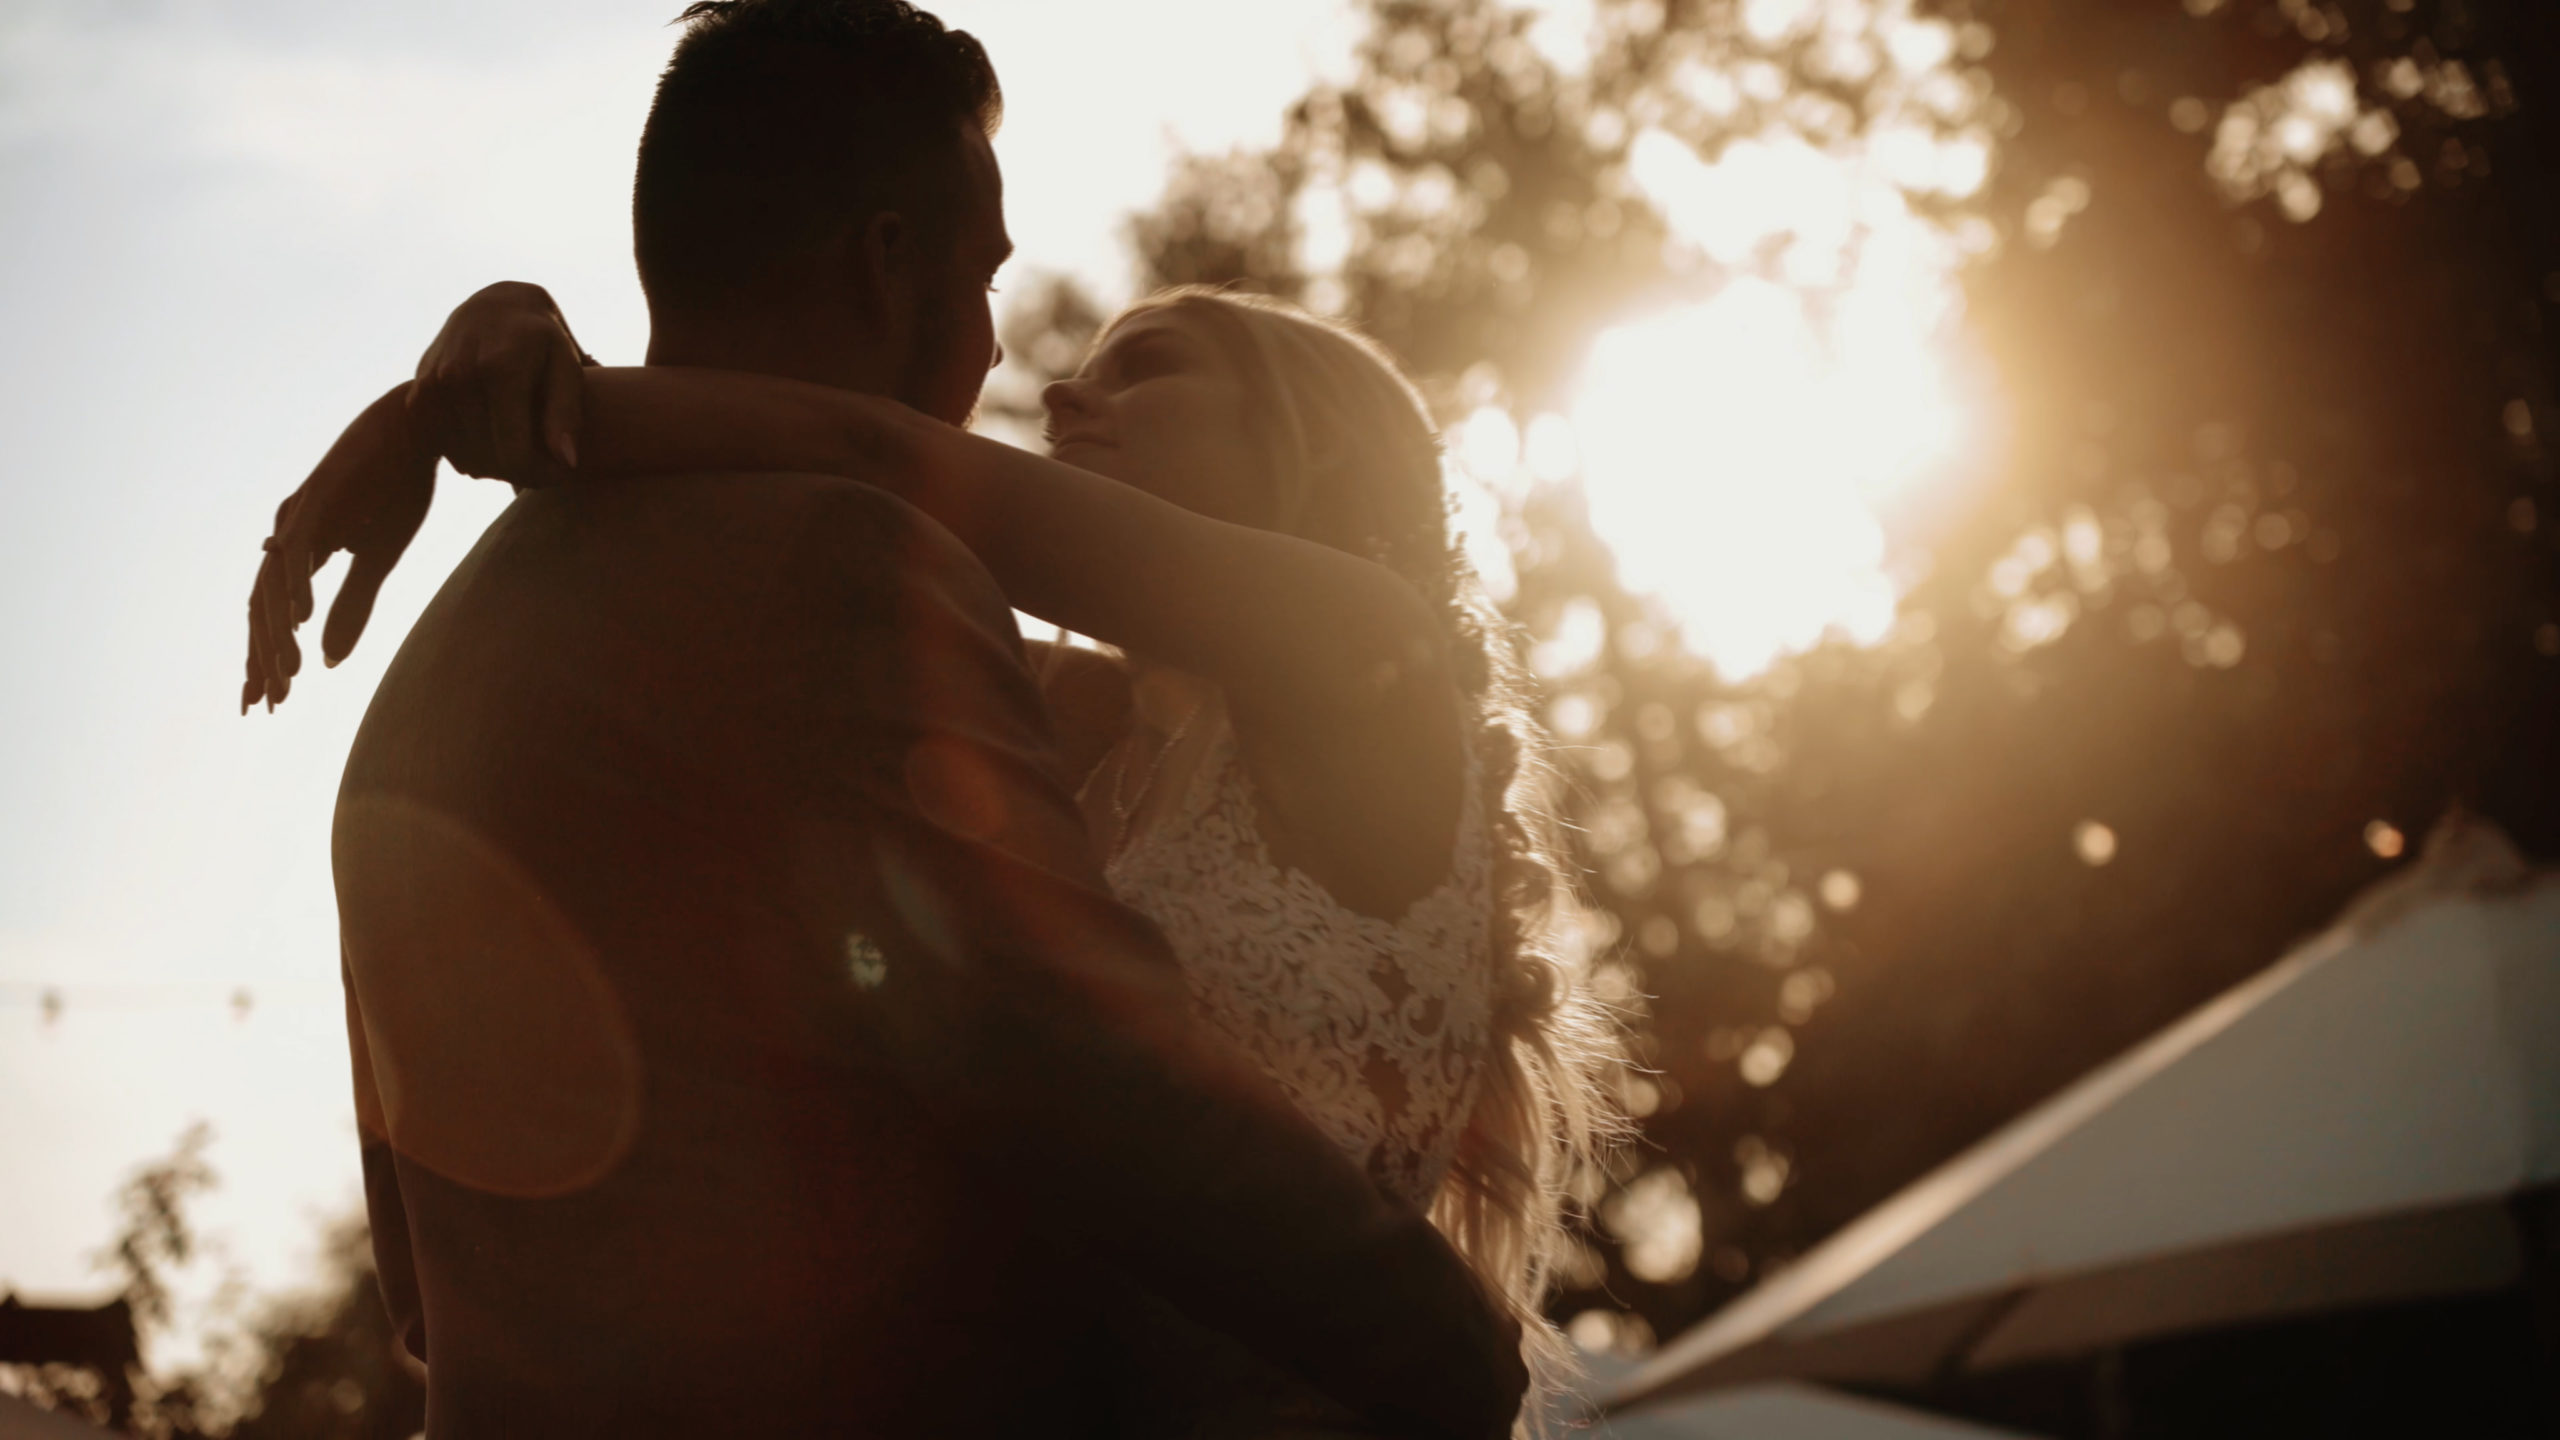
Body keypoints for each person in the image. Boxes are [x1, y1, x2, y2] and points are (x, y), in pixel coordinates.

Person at [246, 3, 1533, 1436]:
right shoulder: (851, 579)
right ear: (887, 261)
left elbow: (422, 1292)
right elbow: (1070, 1073)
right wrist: (1450, 1352)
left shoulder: (424, 684)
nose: (1017, 367)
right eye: (984, 279)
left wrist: (503, 386)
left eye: (1144, 369)